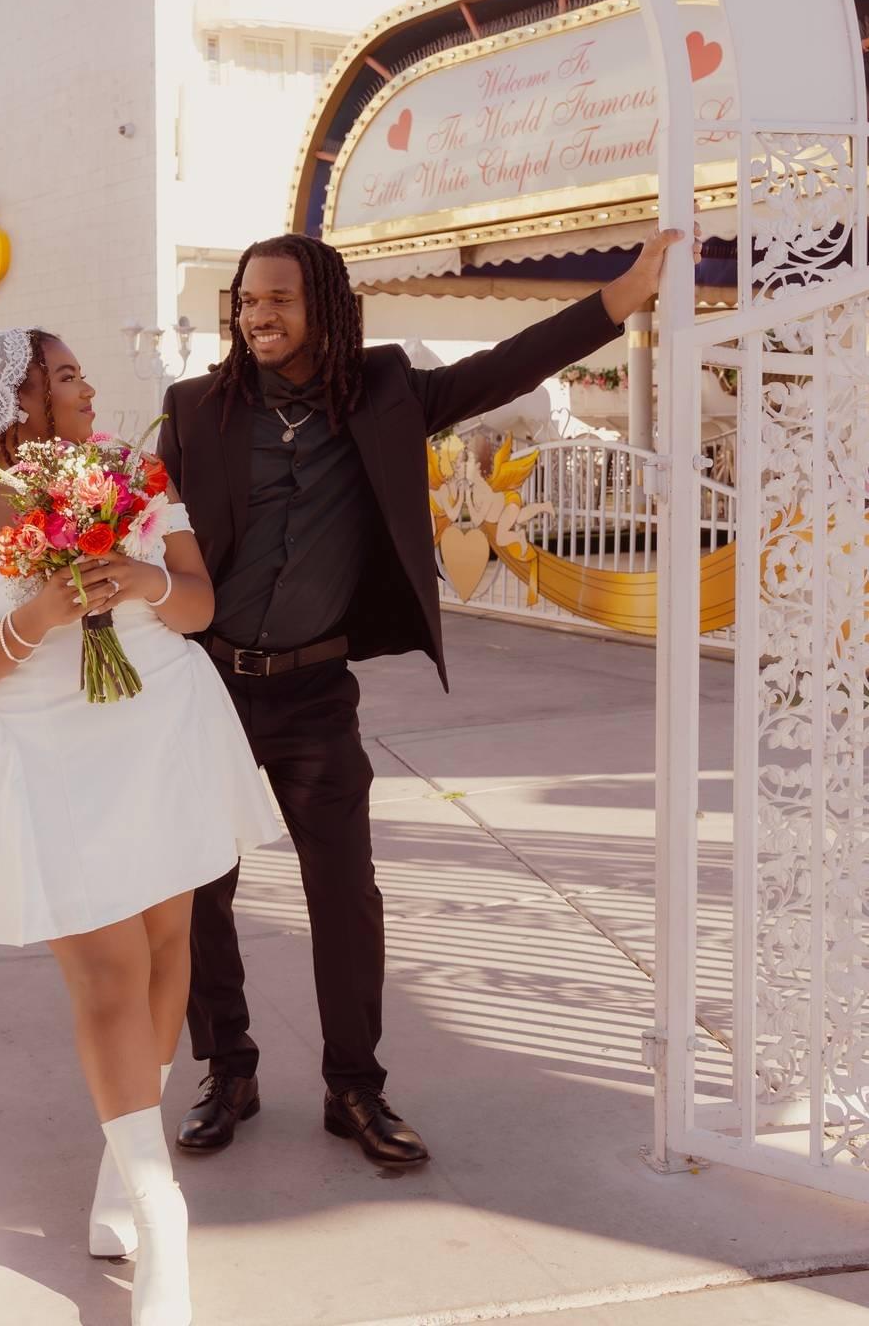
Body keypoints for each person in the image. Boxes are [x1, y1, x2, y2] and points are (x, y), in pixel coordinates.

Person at [159, 227, 696, 1167]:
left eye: (278, 300)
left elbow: (504, 366)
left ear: (322, 307)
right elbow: (147, 528)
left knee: (346, 894)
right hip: (208, 688)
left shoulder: (383, 391)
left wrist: (617, 302)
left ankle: (353, 1089)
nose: (258, 317)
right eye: (247, 301)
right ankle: (227, 1070)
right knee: (202, 886)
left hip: (317, 690)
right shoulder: (195, 407)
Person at [0, 328, 278, 1326]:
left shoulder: (129, 470)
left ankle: (122, 1170)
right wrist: (35, 617)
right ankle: (160, 1209)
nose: (88, 388)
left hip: (158, 722)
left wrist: (138, 583)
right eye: (68, 374)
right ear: (18, 398)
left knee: (169, 946)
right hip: (46, 752)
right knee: (108, 970)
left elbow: (200, 604)